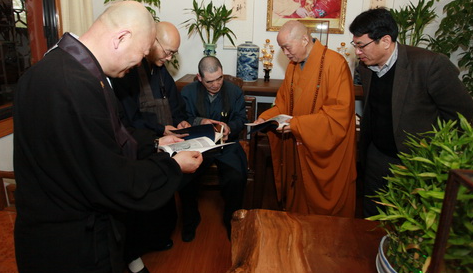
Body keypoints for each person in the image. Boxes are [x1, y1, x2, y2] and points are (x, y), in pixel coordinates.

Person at [13, 1, 203, 273]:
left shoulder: (60, 67)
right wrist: (173, 165)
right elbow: (114, 180)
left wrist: (155, 144)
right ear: (121, 38)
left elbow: (110, 137)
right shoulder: (75, 86)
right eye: (140, 54)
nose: (140, 63)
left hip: (54, 230)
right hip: (71, 247)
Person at [349, 7, 473, 218]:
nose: (357, 52)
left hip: (414, 161)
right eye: (356, 45)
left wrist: (439, 153)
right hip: (377, 156)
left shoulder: (429, 64)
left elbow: (461, 112)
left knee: (409, 219)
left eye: (362, 46)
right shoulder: (365, 68)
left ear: (386, 41)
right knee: (372, 214)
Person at [253, 20, 357, 217]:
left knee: (326, 217)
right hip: (299, 146)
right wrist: (265, 118)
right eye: (282, 48)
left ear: (304, 39)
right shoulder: (293, 67)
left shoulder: (335, 65)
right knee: (298, 203)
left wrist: (297, 125)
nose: (285, 53)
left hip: (322, 150)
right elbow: (284, 103)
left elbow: (337, 118)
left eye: (287, 47)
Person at [111, 21, 189, 255]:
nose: (169, 57)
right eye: (167, 51)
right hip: (144, 143)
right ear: (153, 43)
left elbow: (176, 104)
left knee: (165, 195)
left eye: (173, 54)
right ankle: (143, 245)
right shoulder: (130, 72)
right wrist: (158, 128)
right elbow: (129, 119)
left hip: (167, 140)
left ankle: (160, 236)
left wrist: (181, 121)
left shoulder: (162, 71)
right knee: (145, 198)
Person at [180, 56, 248, 240]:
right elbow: (181, 116)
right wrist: (199, 121)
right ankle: (190, 220)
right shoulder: (188, 92)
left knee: (237, 177)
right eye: (210, 81)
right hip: (199, 144)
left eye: (219, 78)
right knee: (185, 177)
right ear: (200, 78)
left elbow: (241, 119)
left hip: (227, 143)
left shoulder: (234, 92)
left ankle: (231, 221)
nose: (216, 84)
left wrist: (230, 128)